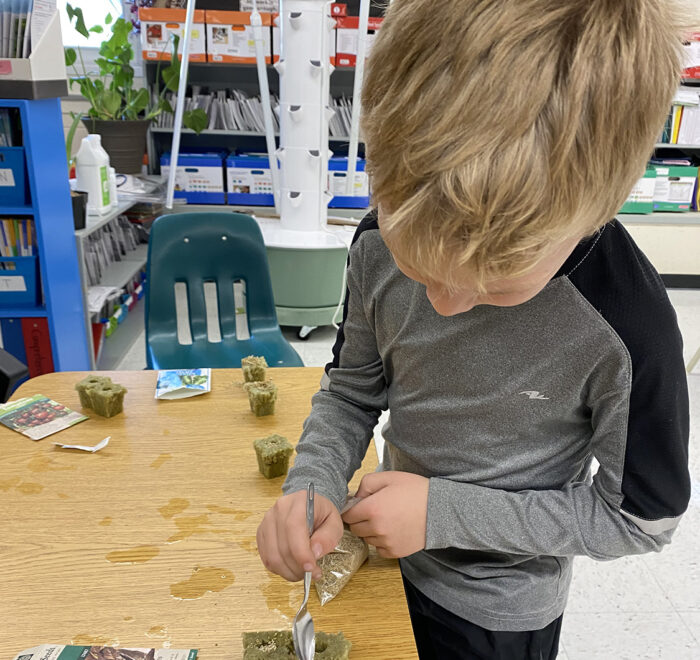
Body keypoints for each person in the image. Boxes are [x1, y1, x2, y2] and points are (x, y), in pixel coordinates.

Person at [257, 1, 697, 657]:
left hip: (498, 616)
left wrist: (441, 513)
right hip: (382, 566)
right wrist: (312, 481)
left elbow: (640, 520)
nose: (442, 306)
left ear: (591, 213)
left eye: (495, 284)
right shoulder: (380, 238)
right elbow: (351, 390)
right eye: (417, 267)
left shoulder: (628, 328)